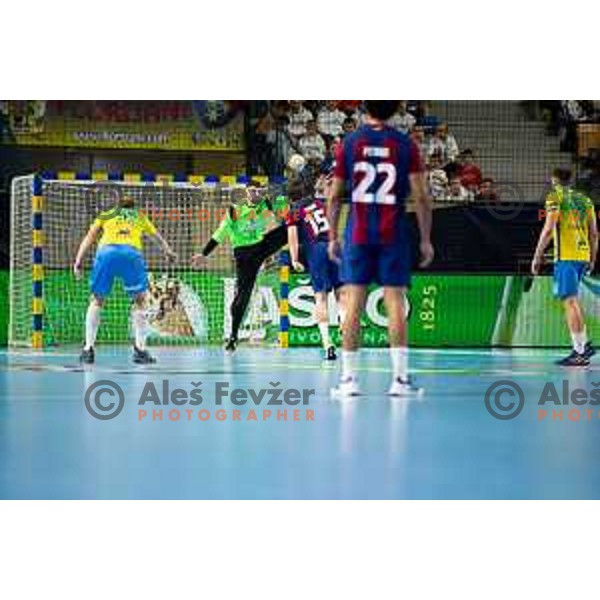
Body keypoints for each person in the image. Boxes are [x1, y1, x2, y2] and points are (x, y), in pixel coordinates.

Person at [327, 100, 434, 397]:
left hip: (358, 233)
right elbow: (422, 196)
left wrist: (333, 235)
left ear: (365, 108)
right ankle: (399, 381)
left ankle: (349, 380)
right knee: (395, 302)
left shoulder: (350, 142)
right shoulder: (405, 144)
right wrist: (425, 238)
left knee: (352, 303)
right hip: (393, 233)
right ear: (397, 109)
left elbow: (335, 196)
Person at [74, 193, 177, 364]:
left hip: (106, 254)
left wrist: (78, 261)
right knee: (140, 301)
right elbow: (156, 236)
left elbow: (90, 237)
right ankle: (140, 350)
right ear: (133, 207)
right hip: (131, 254)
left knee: (97, 300)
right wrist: (168, 251)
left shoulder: (106, 214)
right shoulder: (139, 216)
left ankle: (88, 350)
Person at [191, 181, 288, 352]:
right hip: (244, 254)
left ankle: (303, 250)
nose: (254, 193)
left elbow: (283, 211)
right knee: (243, 296)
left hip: (261, 246)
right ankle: (233, 336)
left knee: (289, 229)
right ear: (245, 193)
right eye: (251, 190)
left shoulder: (264, 205)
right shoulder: (235, 210)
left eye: (257, 190)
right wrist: (204, 254)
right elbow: (219, 234)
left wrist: (277, 196)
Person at [531, 168, 597, 366]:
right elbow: (594, 233)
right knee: (573, 301)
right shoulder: (585, 200)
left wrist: (537, 256)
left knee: (570, 302)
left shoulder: (555, 197)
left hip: (566, 256)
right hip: (583, 254)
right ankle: (583, 344)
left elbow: (549, 228)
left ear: (554, 180)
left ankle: (579, 351)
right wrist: (592, 258)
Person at [286, 171, 344, 361]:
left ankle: (327, 343)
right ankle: (345, 327)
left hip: (317, 250)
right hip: (334, 245)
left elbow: (293, 238)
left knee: (320, 298)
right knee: (340, 294)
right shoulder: (318, 203)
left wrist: (294, 259)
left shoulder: (293, 210)